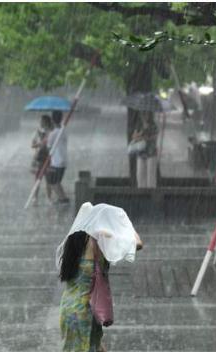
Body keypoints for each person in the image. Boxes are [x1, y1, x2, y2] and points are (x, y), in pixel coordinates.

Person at [57, 203, 143, 352]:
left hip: (68, 308)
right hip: (86, 311)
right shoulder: (100, 239)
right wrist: (127, 224)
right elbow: (138, 244)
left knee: (86, 347)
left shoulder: (73, 241)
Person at [46, 110, 69, 204]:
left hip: (56, 161)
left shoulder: (53, 133)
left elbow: (48, 147)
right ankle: (63, 197)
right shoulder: (63, 130)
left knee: (53, 182)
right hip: (64, 159)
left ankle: (63, 199)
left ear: (52, 120)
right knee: (57, 181)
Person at [131, 112, 159, 188]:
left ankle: (151, 193)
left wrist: (144, 137)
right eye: (143, 114)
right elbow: (134, 136)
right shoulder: (139, 125)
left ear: (150, 115)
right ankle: (142, 193)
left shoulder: (153, 125)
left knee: (151, 175)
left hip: (151, 152)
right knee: (140, 175)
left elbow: (154, 137)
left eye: (146, 114)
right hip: (141, 152)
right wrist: (140, 135)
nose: (144, 116)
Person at [31, 114, 53, 205]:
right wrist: (40, 143)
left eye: (42, 121)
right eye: (40, 121)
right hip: (39, 158)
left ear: (46, 122)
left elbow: (52, 145)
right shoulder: (37, 132)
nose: (40, 122)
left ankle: (49, 198)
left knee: (48, 180)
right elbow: (33, 145)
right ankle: (35, 198)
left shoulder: (52, 132)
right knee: (37, 179)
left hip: (48, 158)